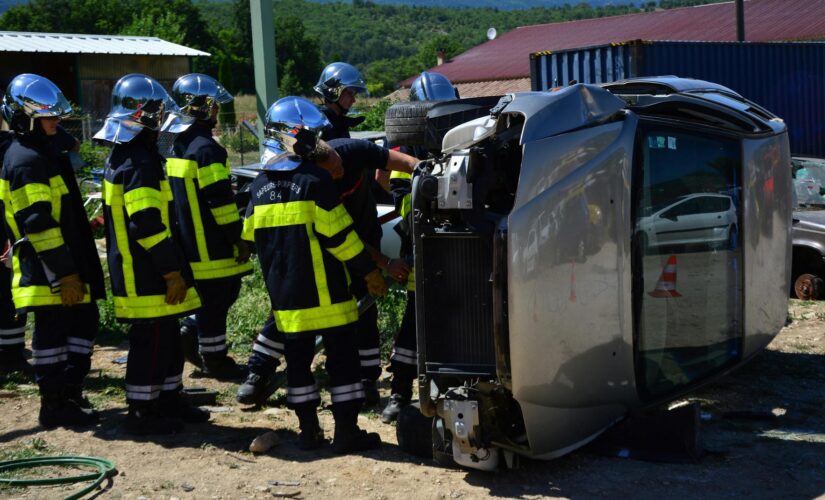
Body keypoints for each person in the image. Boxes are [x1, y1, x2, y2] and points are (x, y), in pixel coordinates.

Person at [241, 96, 387, 453]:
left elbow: (247, 236)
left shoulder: (257, 188)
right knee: (343, 364)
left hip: (286, 301)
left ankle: (309, 432)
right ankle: (347, 432)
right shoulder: (314, 181)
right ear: (299, 137)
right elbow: (341, 238)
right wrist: (369, 273)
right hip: (329, 296)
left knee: (298, 367)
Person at [236, 138, 416, 406]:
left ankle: (367, 381)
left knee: (365, 315)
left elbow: (401, 161)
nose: (341, 171)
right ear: (314, 170)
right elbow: (341, 236)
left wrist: (427, 173)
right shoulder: (310, 185)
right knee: (291, 310)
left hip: (360, 237)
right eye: (334, 171)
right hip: (330, 246)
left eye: (340, 164)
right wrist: (381, 265)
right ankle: (258, 371)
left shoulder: (351, 151)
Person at [95, 73, 206, 435]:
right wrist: (170, 271)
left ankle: (170, 398)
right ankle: (143, 410)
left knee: (168, 337)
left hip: (144, 268)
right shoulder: (138, 163)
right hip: (145, 273)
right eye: (158, 119)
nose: (162, 128)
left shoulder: (125, 156)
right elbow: (145, 224)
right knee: (151, 341)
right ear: (143, 118)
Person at [0, 74, 105, 427]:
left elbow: (65, 140)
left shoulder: (40, 150)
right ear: (26, 120)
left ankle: (69, 391)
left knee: (83, 322)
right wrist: (66, 273)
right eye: (48, 116)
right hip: (48, 268)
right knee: (52, 335)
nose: (56, 122)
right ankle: (54, 403)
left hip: (63, 262)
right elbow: (38, 223)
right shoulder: (27, 161)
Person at [380, 71, 459, 423]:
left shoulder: (467, 131)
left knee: (460, 320)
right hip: (423, 240)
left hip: (462, 241)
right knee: (415, 322)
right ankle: (399, 394)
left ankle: (452, 390)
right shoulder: (406, 141)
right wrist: (419, 219)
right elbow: (397, 193)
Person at [163, 73, 252, 380]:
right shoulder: (207, 149)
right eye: (213, 107)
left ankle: (190, 335)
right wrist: (238, 239)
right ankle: (214, 360)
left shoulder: (178, 145)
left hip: (189, 243)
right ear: (203, 108)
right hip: (213, 245)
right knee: (218, 301)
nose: (216, 113)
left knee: (205, 302)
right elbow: (220, 202)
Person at [314, 62, 367, 140]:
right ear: (333, 92)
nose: (353, 100)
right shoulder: (316, 122)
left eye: (354, 95)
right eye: (350, 94)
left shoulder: (338, 122)